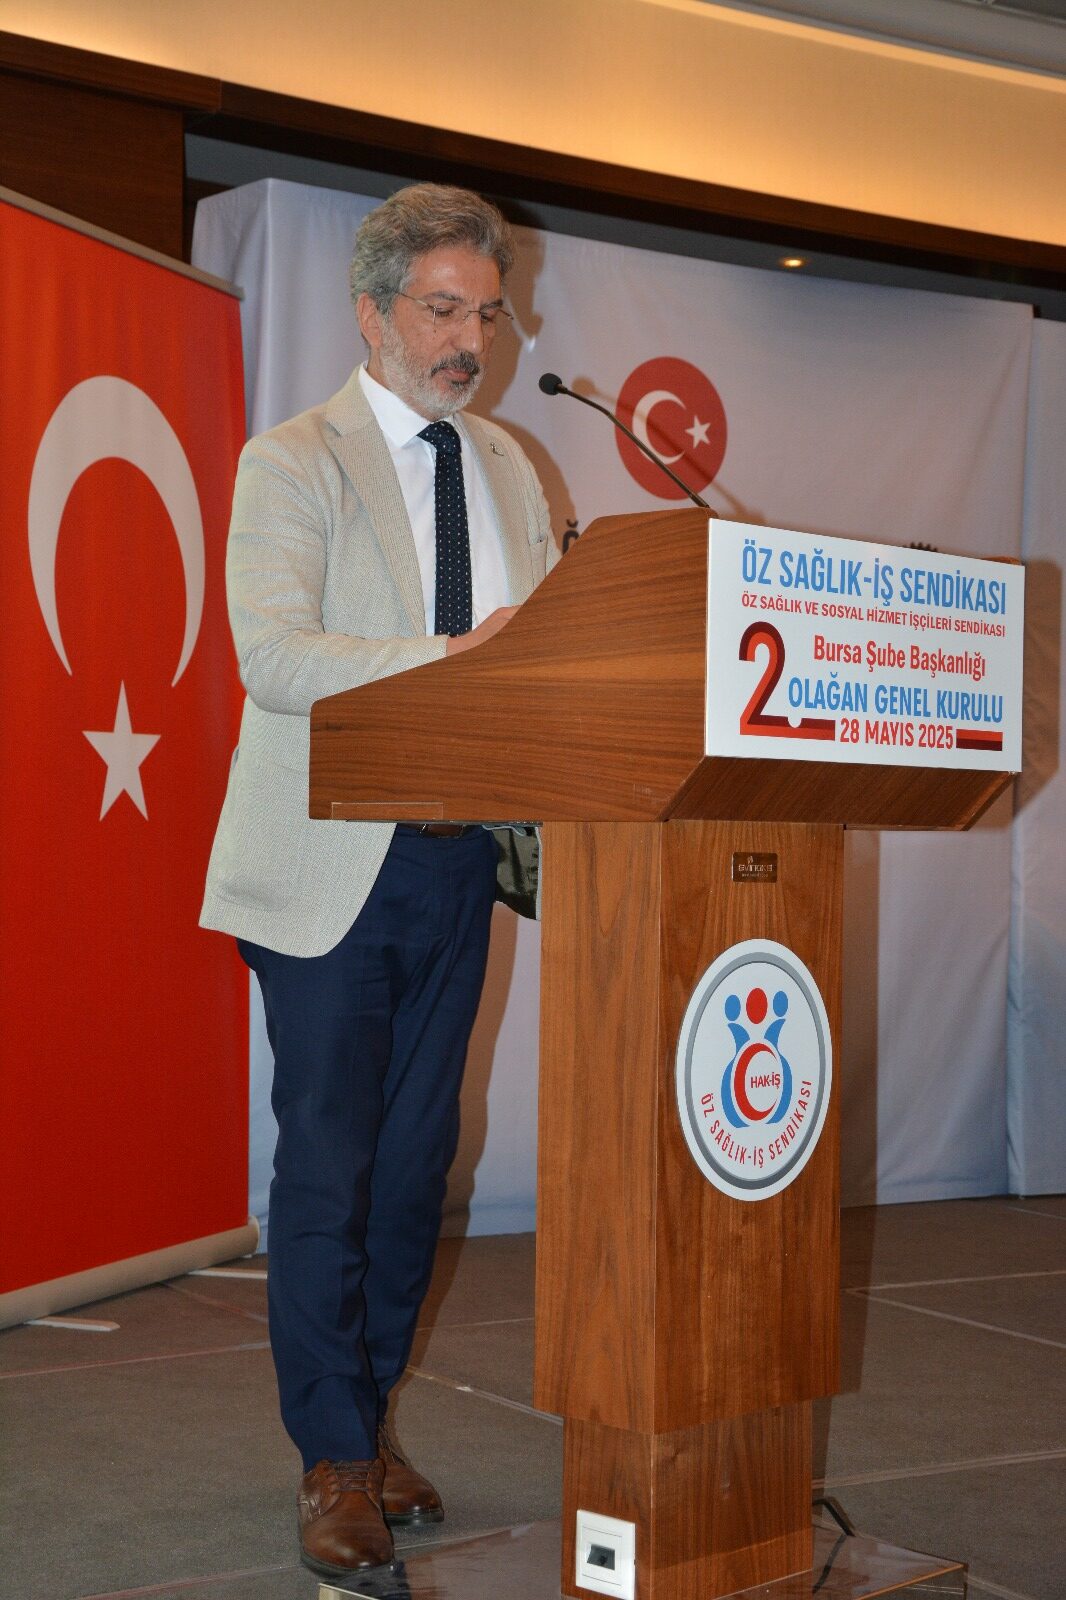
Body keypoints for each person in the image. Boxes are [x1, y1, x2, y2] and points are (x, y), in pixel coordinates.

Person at [200, 183, 558, 1582]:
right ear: (371, 312)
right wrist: (457, 659)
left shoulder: (513, 465)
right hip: (328, 864)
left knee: (416, 1172)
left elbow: (551, 656)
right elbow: (274, 658)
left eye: (488, 313)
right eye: (442, 310)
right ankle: (332, 1457)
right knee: (332, 1165)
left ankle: (371, 1418)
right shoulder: (294, 460)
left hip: (459, 862)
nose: (471, 340)